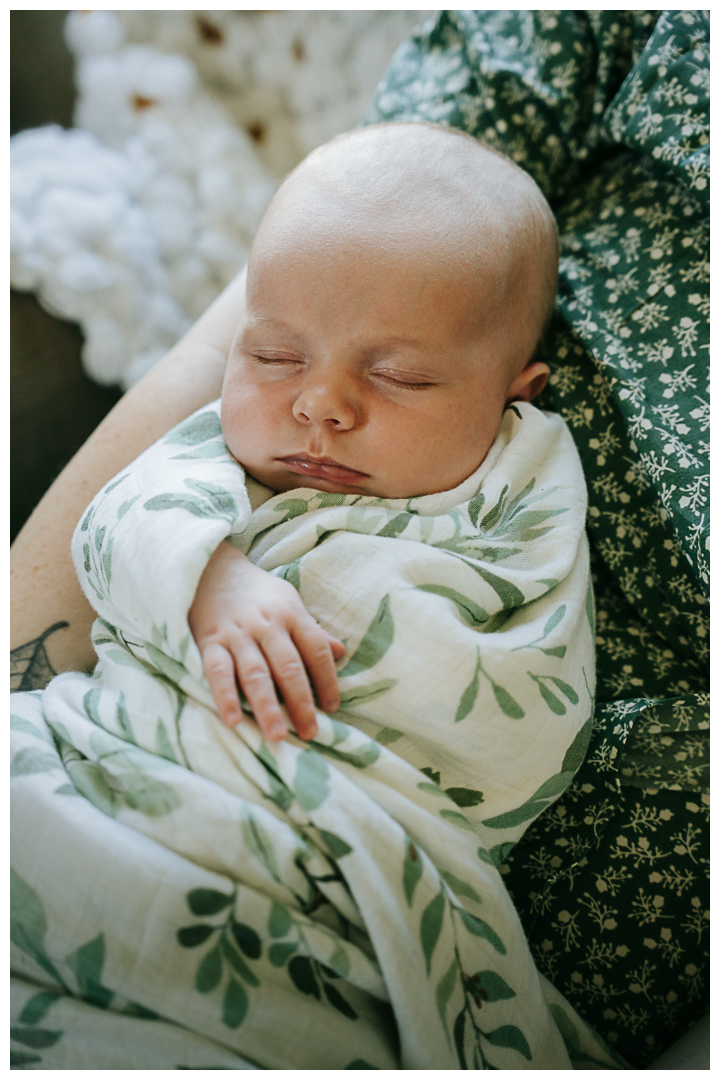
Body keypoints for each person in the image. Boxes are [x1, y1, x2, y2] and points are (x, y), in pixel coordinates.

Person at [185, 122, 557, 743]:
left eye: (399, 377)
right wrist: (205, 576)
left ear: (513, 396)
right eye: (275, 356)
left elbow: (538, 679)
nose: (320, 406)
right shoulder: (212, 453)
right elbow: (114, 518)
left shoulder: (530, 475)